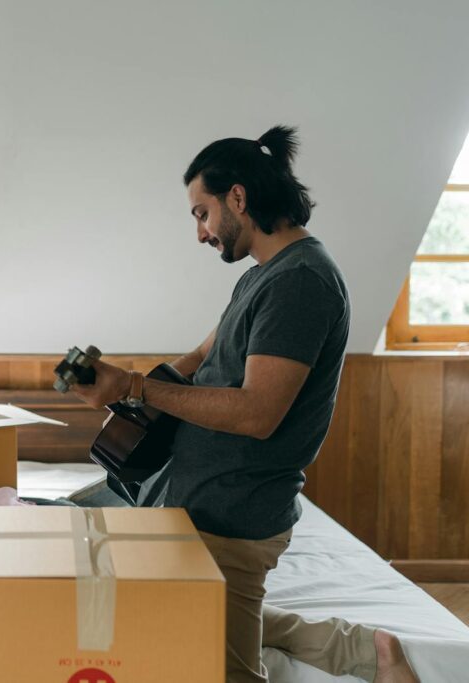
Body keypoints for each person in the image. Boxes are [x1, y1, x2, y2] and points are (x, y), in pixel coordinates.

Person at [72, 126, 417, 683]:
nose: (202, 233)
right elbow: (201, 355)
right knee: (187, 613)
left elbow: (258, 413)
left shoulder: (301, 282)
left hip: (233, 515)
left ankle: (375, 660)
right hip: (198, 504)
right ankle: (362, 650)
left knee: (224, 670)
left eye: (201, 214)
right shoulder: (261, 277)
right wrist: (114, 389)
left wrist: (135, 389)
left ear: (238, 197)